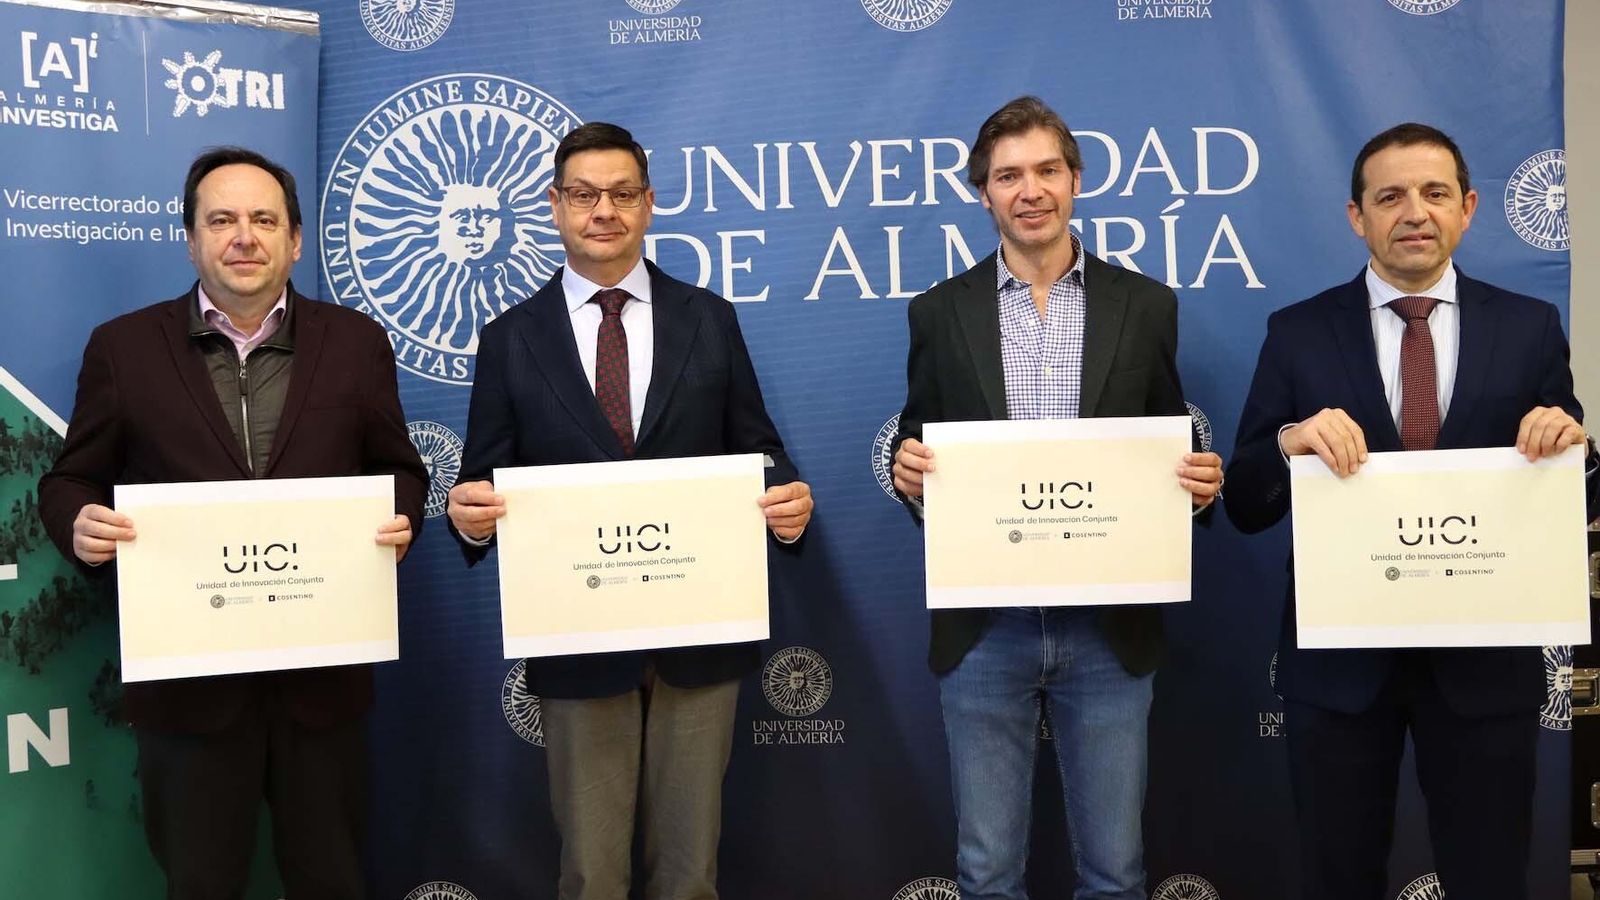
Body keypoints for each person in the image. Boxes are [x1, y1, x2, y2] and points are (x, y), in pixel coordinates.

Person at [38, 146, 428, 898]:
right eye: (221, 220)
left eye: (262, 219)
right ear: (191, 238)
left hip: (324, 686)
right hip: (188, 694)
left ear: (296, 240)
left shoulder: (355, 343)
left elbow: (400, 470)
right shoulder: (122, 349)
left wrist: (400, 516)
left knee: (332, 881)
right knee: (201, 884)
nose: (243, 236)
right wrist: (80, 523)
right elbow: (72, 478)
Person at [1224, 122, 1600, 900]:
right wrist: (1290, 442)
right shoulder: (1297, 332)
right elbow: (1246, 501)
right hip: (1339, 670)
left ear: (1466, 208)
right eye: (1389, 196)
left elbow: (1571, 493)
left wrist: (1574, 447)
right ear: (1357, 217)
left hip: (1485, 668)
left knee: (1491, 875)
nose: (1414, 212)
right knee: (1338, 875)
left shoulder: (1529, 327)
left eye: (1434, 193)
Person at [445, 121, 813, 900]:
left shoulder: (708, 318)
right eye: (584, 195)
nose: (602, 210)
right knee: (591, 873)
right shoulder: (510, 338)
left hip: (699, 632)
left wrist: (786, 494)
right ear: (555, 206)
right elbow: (482, 479)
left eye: (621, 194)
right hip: (579, 639)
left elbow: (757, 446)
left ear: (649, 205)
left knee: (689, 873)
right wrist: (468, 515)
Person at [890, 96, 1223, 900]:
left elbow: (1168, 446)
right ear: (984, 193)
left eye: (1046, 170)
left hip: (1110, 632)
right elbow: (919, 450)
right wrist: (911, 478)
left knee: (1115, 873)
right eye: (1008, 176)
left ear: (1076, 179)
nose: (1029, 190)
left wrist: (1195, 488)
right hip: (986, 631)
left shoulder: (1146, 306)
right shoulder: (939, 312)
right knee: (986, 871)